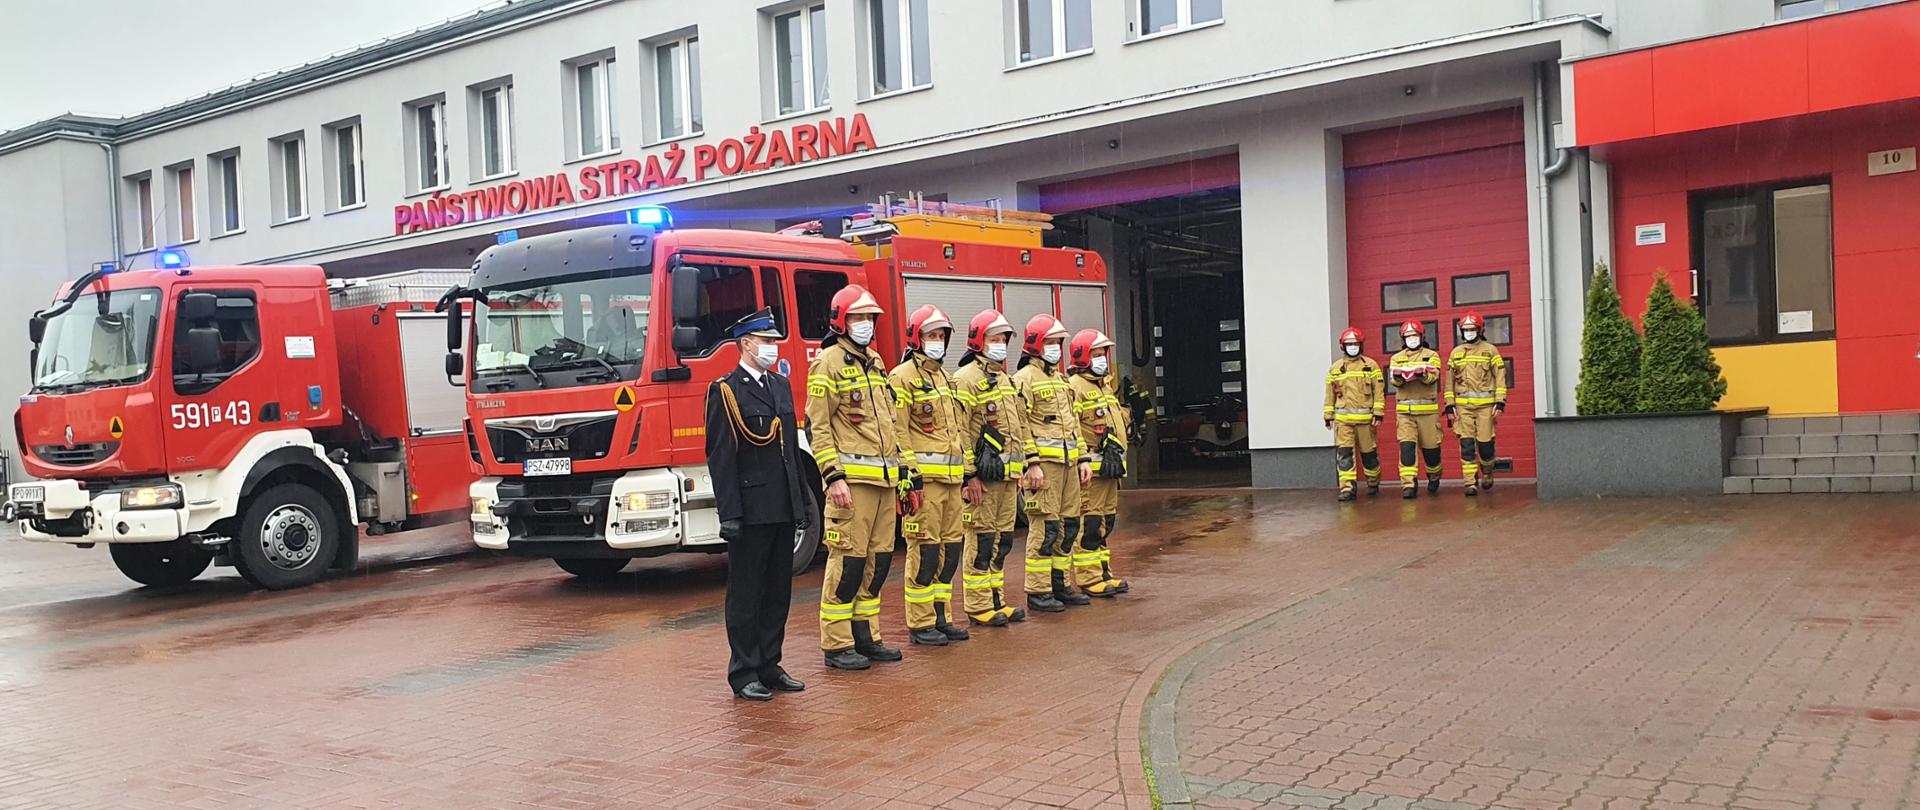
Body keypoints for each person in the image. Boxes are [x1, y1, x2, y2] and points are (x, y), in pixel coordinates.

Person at [807, 285, 919, 670]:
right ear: (841, 320)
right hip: (852, 486)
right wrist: (833, 477)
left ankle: (866, 636)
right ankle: (837, 644)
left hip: (885, 483)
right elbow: (818, 426)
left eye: (870, 318)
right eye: (858, 317)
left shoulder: (875, 362)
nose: (866, 324)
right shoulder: (827, 363)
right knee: (848, 564)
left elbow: (889, 424)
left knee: (878, 563)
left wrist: (904, 475)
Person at [704, 306, 809, 701]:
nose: (772, 347)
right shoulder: (726, 391)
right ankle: (744, 670)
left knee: (777, 592)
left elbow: (791, 452)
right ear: (746, 344)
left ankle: (769, 664)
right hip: (751, 509)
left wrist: (800, 504)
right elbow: (721, 457)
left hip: (781, 505)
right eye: (766, 341)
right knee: (747, 594)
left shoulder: (779, 385)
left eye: (773, 341)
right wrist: (730, 513)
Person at [888, 305, 972, 646]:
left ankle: (942, 617)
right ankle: (921, 623)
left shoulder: (945, 379)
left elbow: (958, 431)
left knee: (948, 553)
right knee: (924, 553)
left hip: (952, 483)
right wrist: (911, 476)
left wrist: (966, 474)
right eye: (930, 335)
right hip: (926, 485)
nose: (937, 341)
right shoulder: (902, 377)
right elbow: (898, 431)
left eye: (941, 335)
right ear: (916, 338)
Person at [953, 310, 1037, 627]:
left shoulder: (1005, 380)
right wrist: (969, 475)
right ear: (978, 340)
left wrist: (1020, 470)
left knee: (1002, 542)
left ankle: (996, 600)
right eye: (994, 338)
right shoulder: (965, 379)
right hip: (983, 479)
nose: (1000, 344)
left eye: (1003, 339)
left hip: (1006, 478)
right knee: (981, 540)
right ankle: (978, 606)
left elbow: (1019, 427)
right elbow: (960, 431)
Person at [1013, 314, 1093, 612]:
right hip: (1044, 468)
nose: (1056, 348)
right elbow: (1021, 426)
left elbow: (1073, 423)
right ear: (1035, 344)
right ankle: (1038, 591)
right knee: (1044, 530)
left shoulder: (1061, 380)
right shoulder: (1024, 379)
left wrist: (1083, 458)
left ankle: (1060, 585)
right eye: (1050, 342)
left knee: (1068, 527)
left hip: (1069, 465)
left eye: (1058, 343)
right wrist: (1031, 463)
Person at [1066, 329, 1128, 597]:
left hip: (1110, 469)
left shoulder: (1104, 387)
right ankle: (1089, 579)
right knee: (1089, 525)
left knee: (1106, 522)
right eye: (1096, 354)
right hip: (1091, 472)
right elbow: (1072, 428)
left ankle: (1104, 573)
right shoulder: (1075, 387)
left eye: (1103, 354)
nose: (1102, 359)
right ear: (1082, 356)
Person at [1445, 312, 1507, 496]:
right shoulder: (1456, 353)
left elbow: (1500, 377)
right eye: (1466, 330)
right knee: (1466, 445)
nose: (1469, 332)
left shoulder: (1490, 351)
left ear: (1480, 330)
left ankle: (1487, 470)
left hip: (1486, 407)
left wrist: (1500, 401)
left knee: (1485, 445)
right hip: (1463, 408)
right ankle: (1470, 483)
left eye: (1472, 329)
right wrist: (1449, 404)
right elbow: (1449, 382)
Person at [1323, 327, 1385, 502]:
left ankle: (1373, 482)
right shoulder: (1335, 369)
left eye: (1355, 344)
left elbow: (1378, 391)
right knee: (1345, 456)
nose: (1352, 347)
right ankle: (1347, 488)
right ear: (1343, 346)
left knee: (1369, 455)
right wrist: (1328, 415)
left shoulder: (1370, 366)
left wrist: (1378, 413)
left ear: (1361, 345)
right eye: (1349, 344)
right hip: (1343, 423)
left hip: (1366, 422)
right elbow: (1329, 394)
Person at [1387, 321, 1444, 499]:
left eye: (1414, 335)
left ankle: (1434, 476)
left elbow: (1433, 376)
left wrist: (1423, 375)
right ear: (1403, 338)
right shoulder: (1396, 358)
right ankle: (1409, 484)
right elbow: (1394, 381)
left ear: (1421, 336)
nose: (1411, 339)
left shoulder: (1432, 355)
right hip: (1405, 413)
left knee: (1431, 451)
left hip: (1428, 413)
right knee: (1407, 449)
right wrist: (1399, 378)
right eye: (1408, 336)